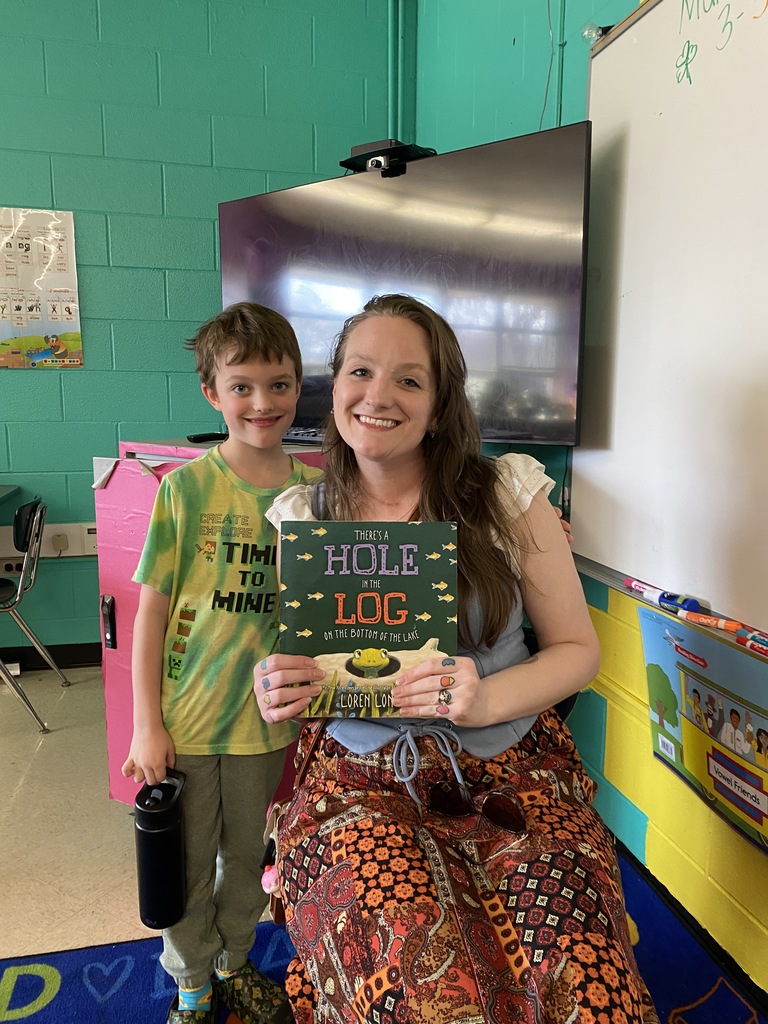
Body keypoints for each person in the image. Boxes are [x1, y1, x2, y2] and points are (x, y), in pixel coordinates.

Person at [253, 294, 658, 1023]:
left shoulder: (506, 492)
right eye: (360, 372)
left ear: (440, 406)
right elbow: (308, 663)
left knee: (584, 985)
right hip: (360, 781)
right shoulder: (301, 517)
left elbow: (577, 651)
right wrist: (280, 682)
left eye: (409, 380)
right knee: (420, 991)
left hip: (512, 772)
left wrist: (488, 698)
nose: (378, 396)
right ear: (334, 387)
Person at [121, 302, 322, 1024]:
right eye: (242, 386)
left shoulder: (314, 495)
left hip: (266, 726)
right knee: (181, 865)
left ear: (299, 387)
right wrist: (148, 725)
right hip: (188, 723)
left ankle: (236, 964)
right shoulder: (186, 488)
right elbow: (151, 613)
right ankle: (192, 987)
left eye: (279, 384)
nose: (262, 403)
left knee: (247, 861)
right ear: (212, 392)